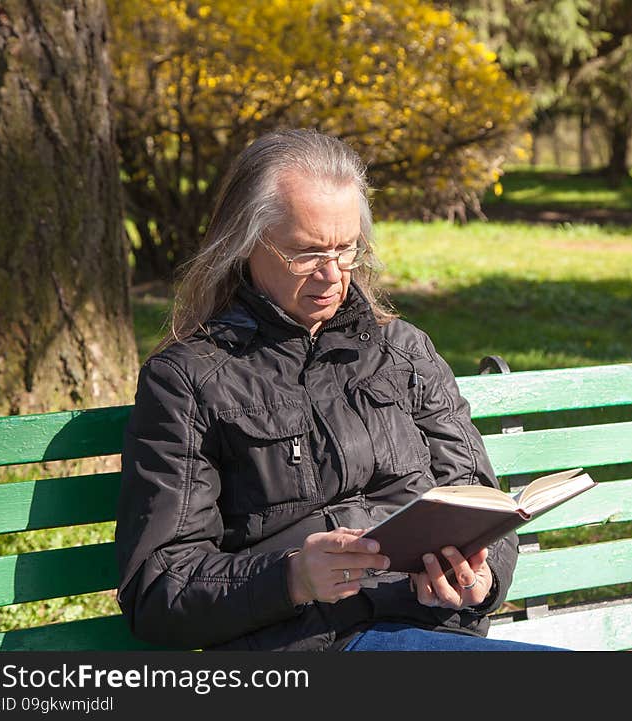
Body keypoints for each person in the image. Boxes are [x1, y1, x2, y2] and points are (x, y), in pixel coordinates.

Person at [115, 128, 565, 651]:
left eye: (346, 248)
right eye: (306, 253)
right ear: (245, 244)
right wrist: (290, 579)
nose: (333, 275)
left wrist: (479, 581)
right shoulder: (189, 380)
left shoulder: (403, 350)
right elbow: (158, 591)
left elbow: (479, 499)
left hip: (432, 633)